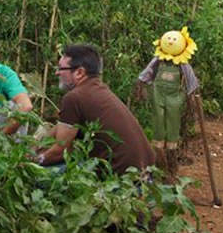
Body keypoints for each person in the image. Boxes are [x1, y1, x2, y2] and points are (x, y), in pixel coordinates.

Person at [36, 44, 155, 175]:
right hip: (145, 174)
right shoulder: (98, 89)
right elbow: (60, 129)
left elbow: (61, 150)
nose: (56, 72)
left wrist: (34, 161)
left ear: (79, 72)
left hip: (119, 178)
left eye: (61, 68)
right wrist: (35, 146)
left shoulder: (74, 97)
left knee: (38, 176)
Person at [135, 26, 199, 176]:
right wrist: (141, 85)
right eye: (168, 38)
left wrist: (192, 96)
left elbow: (190, 80)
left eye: (174, 39)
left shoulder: (182, 64)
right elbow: (147, 72)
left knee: (173, 123)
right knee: (158, 121)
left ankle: (171, 158)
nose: (170, 41)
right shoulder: (158, 60)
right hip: (158, 94)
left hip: (175, 97)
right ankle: (158, 156)